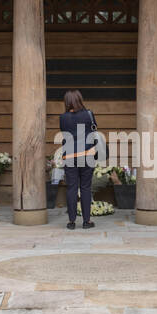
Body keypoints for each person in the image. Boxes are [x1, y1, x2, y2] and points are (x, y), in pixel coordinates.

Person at [59, 90, 97, 230]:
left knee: (71, 188)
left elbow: (65, 133)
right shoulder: (88, 114)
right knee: (86, 187)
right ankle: (86, 221)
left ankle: (71, 222)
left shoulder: (63, 117)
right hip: (87, 155)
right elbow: (94, 130)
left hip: (69, 157)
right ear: (80, 99)